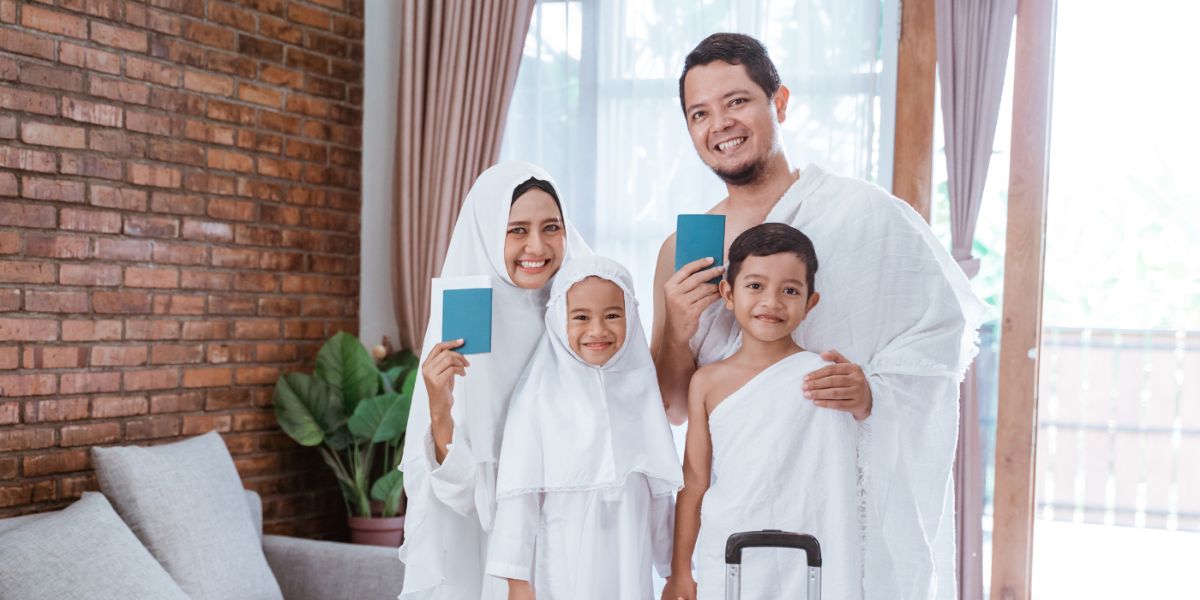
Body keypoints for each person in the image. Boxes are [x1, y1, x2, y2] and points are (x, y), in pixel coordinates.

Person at [651, 33, 987, 598]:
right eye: (699, 114)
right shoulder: (683, 250)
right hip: (737, 516)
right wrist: (681, 331)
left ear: (778, 102)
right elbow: (676, 406)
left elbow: (940, 344)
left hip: (835, 514)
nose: (720, 125)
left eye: (737, 101)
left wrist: (871, 392)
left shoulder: (865, 215)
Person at [400, 161, 591, 600]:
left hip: (576, 538)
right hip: (490, 553)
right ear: (487, 231)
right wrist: (440, 408)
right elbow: (459, 497)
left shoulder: (586, 316)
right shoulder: (460, 332)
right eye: (517, 230)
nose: (537, 246)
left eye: (551, 227)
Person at [666, 223, 861, 600]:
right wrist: (679, 573)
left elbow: (872, 439)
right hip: (729, 553)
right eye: (755, 286)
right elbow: (694, 484)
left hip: (812, 555)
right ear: (728, 292)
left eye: (790, 290)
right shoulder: (707, 382)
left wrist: (866, 399)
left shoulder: (824, 375)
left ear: (810, 303)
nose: (771, 302)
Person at [486, 255, 682, 600]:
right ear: (559, 320)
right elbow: (520, 497)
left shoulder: (642, 394)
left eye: (612, 315)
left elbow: (658, 497)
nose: (598, 330)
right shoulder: (538, 397)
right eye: (580, 317)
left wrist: (671, 570)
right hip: (564, 554)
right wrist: (517, 580)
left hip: (628, 551)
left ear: (631, 317)